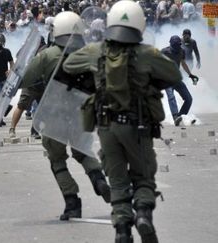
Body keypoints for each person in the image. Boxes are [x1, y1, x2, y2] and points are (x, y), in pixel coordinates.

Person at [63, 1, 183, 242]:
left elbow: (68, 64)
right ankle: (143, 214)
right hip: (137, 125)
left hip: (107, 126)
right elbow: (174, 75)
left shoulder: (96, 50)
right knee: (143, 176)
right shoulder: (147, 53)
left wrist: (95, 72)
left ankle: (122, 229)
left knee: (117, 181)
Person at [19, 11, 111, 221]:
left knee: (57, 160)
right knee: (83, 152)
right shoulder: (91, 53)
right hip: (81, 113)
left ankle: (72, 203)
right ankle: (99, 180)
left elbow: (24, 80)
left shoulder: (47, 54)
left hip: (53, 115)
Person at [161, 35, 199, 126]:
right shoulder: (164, 52)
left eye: (178, 45)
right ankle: (175, 117)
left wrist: (190, 74)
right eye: (175, 45)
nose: (177, 47)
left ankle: (180, 117)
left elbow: (183, 63)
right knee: (171, 97)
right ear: (170, 44)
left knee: (188, 99)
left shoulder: (182, 51)